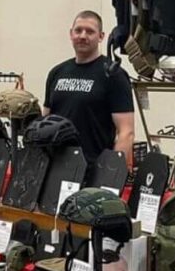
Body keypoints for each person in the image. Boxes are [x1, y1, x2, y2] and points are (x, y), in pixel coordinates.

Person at [43, 10, 135, 170]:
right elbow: (45, 121)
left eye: (90, 31)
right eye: (78, 30)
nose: (83, 36)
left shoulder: (114, 75)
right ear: (71, 34)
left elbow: (126, 132)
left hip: (93, 170)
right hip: (55, 168)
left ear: (101, 36)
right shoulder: (56, 73)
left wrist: (111, 174)